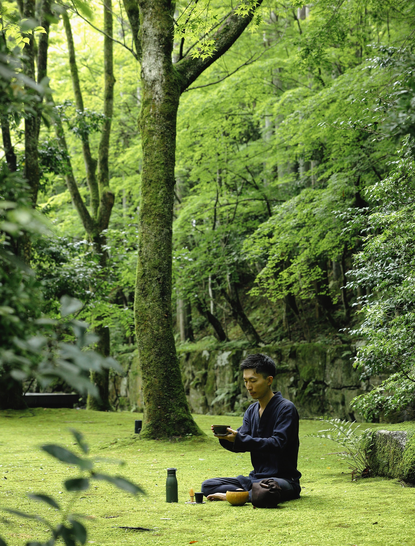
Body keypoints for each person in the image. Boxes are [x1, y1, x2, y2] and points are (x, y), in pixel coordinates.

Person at [201, 353, 301, 503]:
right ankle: (248, 492)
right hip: (255, 479)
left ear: (269, 380)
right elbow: (242, 443)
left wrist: (240, 438)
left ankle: (239, 495)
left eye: (253, 381)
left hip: (282, 480)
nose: (248, 386)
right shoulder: (252, 410)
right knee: (208, 485)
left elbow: (277, 443)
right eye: (246, 381)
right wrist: (227, 438)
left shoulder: (286, 408)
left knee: (269, 490)